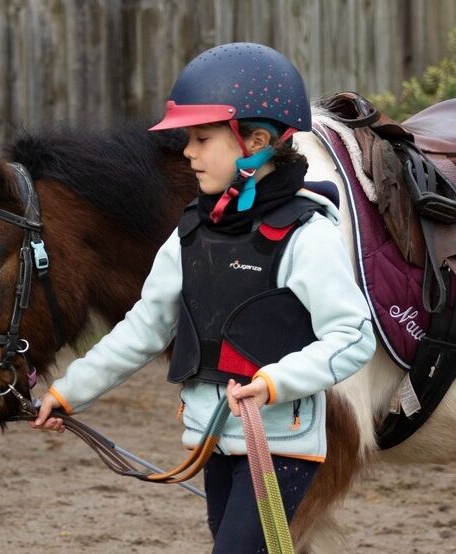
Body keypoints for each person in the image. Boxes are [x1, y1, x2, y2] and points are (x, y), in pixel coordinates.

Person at [31, 42, 375, 553]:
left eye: (201, 138)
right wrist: (69, 392)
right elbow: (144, 326)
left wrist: (275, 383)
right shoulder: (189, 232)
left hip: (279, 444)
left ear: (256, 142)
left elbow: (353, 337)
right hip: (213, 441)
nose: (186, 152)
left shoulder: (308, 235)